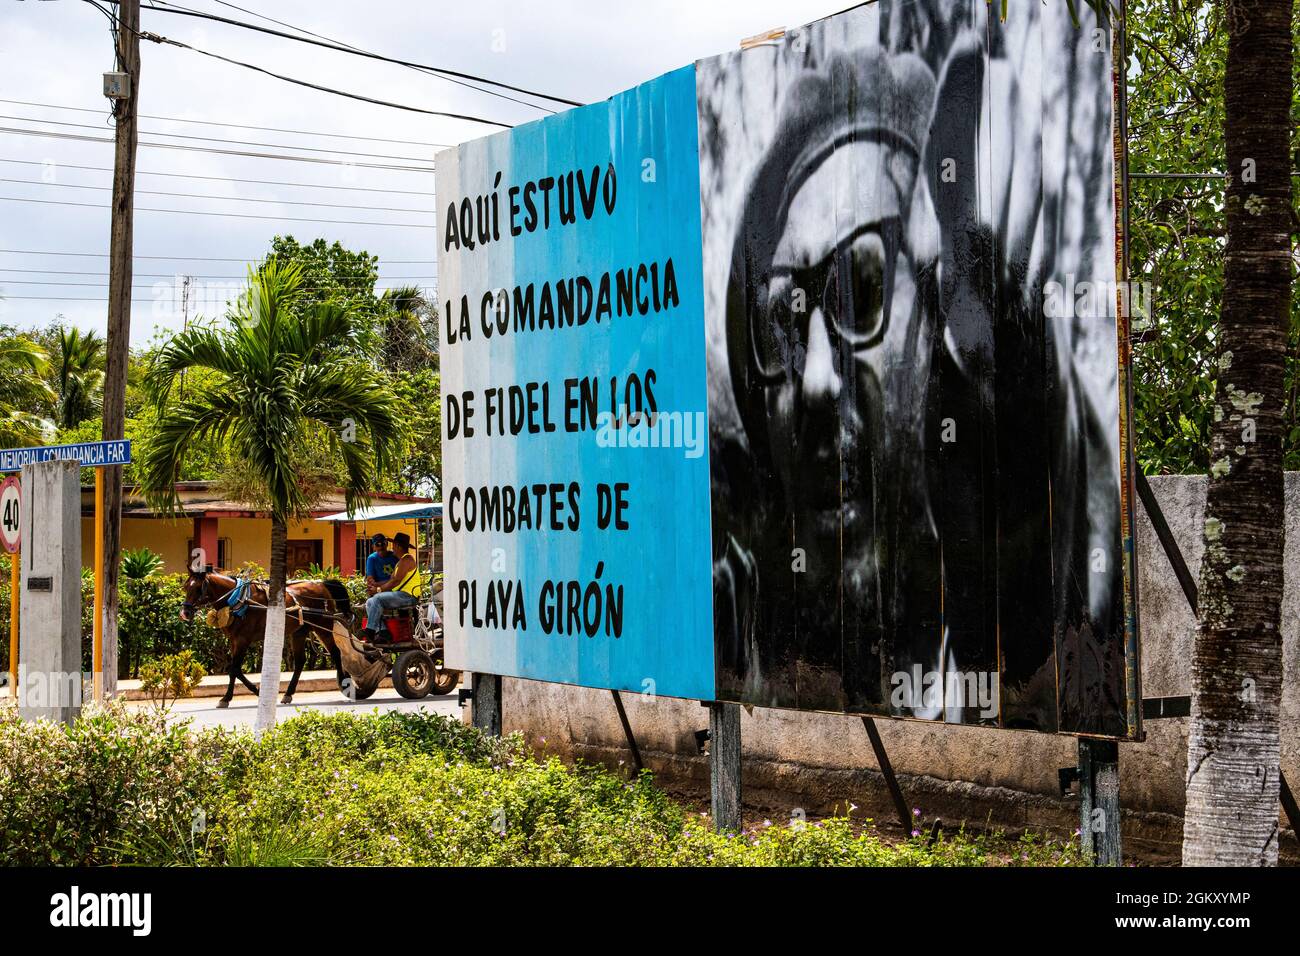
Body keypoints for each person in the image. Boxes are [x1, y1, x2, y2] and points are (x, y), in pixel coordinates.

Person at [363, 531, 421, 643]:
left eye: (393, 545)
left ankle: (370, 631)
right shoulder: (401, 561)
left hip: (408, 596)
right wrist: (374, 585)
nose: (392, 548)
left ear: (398, 546)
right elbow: (391, 580)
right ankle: (384, 632)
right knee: (370, 602)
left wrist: (378, 590)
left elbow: (395, 581)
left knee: (377, 599)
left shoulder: (407, 560)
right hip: (400, 595)